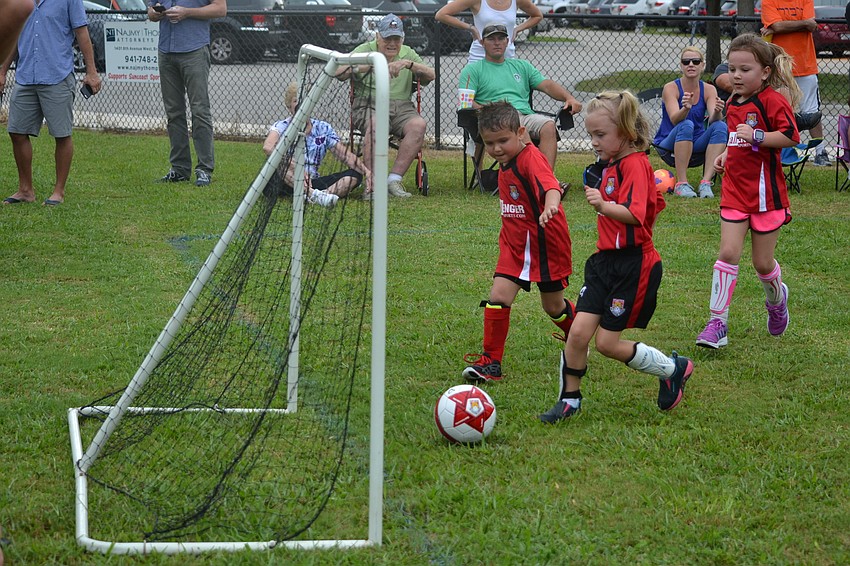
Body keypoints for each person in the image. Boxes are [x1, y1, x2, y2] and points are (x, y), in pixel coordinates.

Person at [539, 90, 694, 424]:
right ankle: (569, 400)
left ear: (625, 132)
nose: (593, 142)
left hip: (633, 264)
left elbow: (637, 214)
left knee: (608, 344)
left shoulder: (636, 165)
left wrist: (604, 205)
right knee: (578, 334)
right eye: (590, 134)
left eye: (600, 135)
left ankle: (672, 369)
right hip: (603, 263)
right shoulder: (609, 165)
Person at [695, 34, 800, 350]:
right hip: (734, 193)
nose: (737, 76)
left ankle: (777, 300)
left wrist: (756, 135)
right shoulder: (732, 103)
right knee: (727, 253)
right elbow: (734, 137)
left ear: (765, 72)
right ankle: (717, 323)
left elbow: (790, 137)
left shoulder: (773, 101)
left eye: (746, 69)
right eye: (733, 69)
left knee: (762, 265)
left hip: (766, 198)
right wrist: (727, 153)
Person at [461, 101, 574, 383]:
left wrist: (551, 205)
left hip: (545, 243)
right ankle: (491, 363)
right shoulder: (505, 162)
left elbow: (550, 185)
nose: (497, 148)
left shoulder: (531, 159)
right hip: (514, 247)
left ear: (521, 133)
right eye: (490, 143)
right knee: (498, 298)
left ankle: (579, 334)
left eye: (503, 141)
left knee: (553, 307)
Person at [0, 0, 101, 206]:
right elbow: (15, 37)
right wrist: (3, 69)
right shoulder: (22, 2)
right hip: (25, 76)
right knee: (17, 132)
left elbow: (82, 32)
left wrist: (91, 72)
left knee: (61, 134)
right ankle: (25, 190)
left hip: (57, 75)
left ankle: (58, 191)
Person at [458, 23, 582, 170]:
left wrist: (569, 98)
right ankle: (534, 177)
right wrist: (488, 112)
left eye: (501, 38)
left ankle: (545, 179)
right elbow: (466, 102)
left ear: (507, 41)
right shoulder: (473, 69)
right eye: (491, 39)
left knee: (548, 125)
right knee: (519, 128)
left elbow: (547, 85)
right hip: (492, 119)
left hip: (524, 115)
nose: (497, 42)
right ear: (482, 42)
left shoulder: (522, 66)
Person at [336, 14, 435, 199]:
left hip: (402, 107)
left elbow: (431, 74)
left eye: (396, 39)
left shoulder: (408, 52)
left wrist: (409, 64)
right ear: (377, 36)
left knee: (418, 125)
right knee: (376, 124)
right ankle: (372, 184)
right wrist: (372, 64)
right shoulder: (365, 50)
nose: (392, 43)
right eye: (387, 38)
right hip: (368, 104)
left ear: (402, 39)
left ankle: (393, 180)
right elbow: (339, 72)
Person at [148, 0, 227, 187]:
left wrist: (187, 12)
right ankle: (179, 169)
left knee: (200, 110)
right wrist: (155, 13)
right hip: (166, 50)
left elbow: (220, 8)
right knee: (173, 113)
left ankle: (204, 169)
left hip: (194, 50)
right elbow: (150, 11)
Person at [262, 82, 372, 208]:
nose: (300, 105)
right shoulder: (281, 126)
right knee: (277, 163)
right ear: (289, 105)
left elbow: (345, 156)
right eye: (295, 101)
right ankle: (312, 194)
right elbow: (268, 147)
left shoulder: (323, 128)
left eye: (305, 100)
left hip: (311, 180)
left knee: (354, 175)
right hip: (283, 181)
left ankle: (319, 195)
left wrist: (367, 172)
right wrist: (296, 167)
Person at [652, 46, 727, 199]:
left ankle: (706, 183)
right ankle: (682, 184)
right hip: (668, 141)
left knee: (721, 126)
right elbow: (674, 119)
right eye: (686, 62)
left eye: (695, 61)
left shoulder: (709, 89)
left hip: (696, 140)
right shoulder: (671, 88)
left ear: (702, 65)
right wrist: (686, 108)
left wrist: (718, 111)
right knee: (687, 125)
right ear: (681, 66)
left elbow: (713, 120)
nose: (691, 64)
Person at [761, 0, 830, 166]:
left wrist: (782, 25)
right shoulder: (768, 1)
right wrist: (803, 24)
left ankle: (820, 152)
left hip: (806, 64)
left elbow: (810, 25)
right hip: (778, 65)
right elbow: (778, 27)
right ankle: (779, 151)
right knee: (777, 110)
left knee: (812, 112)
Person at [434, 0, 542, 63]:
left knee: (504, 99)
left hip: (506, 56)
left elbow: (537, 15)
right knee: (474, 98)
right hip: (480, 56)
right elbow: (441, 15)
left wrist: (517, 29)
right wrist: (470, 27)